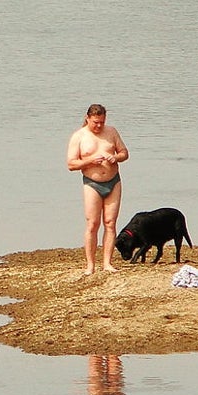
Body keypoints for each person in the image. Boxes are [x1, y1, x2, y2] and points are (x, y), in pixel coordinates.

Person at [66, 104, 129, 275]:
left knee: (110, 222)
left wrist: (115, 157)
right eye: (95, 122)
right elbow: (71, 164)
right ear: (88, 119)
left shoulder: (111, 132)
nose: (99, 125)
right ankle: (90, 265)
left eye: (102, 122)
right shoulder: (79, 136)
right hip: (92, 183)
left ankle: (107, 263)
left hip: (113, 181)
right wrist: (90, 161)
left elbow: (124, 153)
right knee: (93, 223)